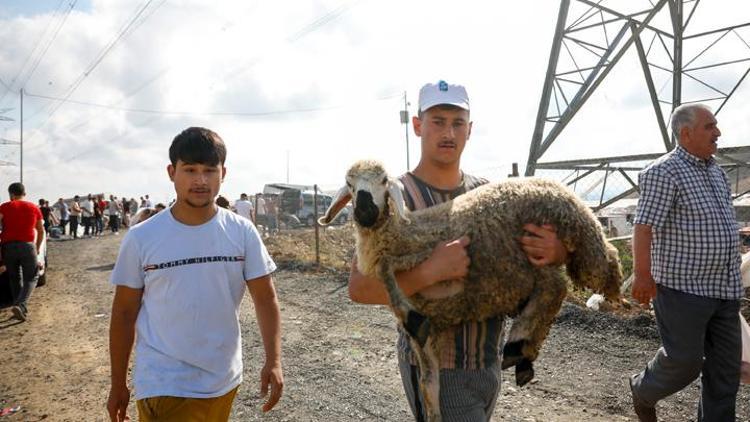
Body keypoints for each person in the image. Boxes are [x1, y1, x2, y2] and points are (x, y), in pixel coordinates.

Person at [347, 81, 568, 421]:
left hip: (488, 361)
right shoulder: (391, 194)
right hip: (437, 366)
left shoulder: (489, 193)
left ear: (470, 130)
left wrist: (553, 251)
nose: (448, 132)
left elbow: (527, 259)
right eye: (437, 121)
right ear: (418, 126)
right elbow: (360, 289)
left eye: (457, 122)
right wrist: (431, 271)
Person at [107, 127, 283, 422]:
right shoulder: (142, 238)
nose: (200, 180)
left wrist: (274, 360)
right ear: (171, 171)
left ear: (223, 173)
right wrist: (117, 383)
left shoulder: (241, 232)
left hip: (224, 379)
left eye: (209, 170)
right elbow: (124, 312)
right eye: (189, 170)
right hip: (164, 382)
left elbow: (265, 299)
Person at [629, 104, 744, 422]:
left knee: (724, 372)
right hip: (683, 289)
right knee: (685, 361)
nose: (718, 132)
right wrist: (642, 274)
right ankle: (644, 390)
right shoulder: (664, 171)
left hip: (725, 288)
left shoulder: (717, 172)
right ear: (686, 133)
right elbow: (643, 226)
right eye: (710, 126)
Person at [0, 182, 44, 321]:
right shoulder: (34, 207)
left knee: (14, 277)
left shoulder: (4, 207)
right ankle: (21, 304)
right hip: (27, 246)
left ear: (11, 194)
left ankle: (19, 307)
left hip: (8, 247)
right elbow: (41, 230)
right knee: (32, 276)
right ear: (24, 194)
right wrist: (36, 248)